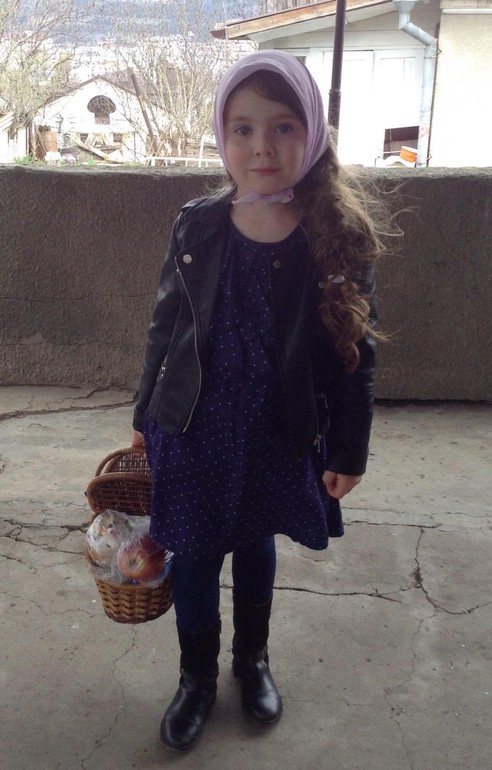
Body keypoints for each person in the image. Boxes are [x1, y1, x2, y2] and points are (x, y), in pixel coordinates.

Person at [131, 49, 387, 751]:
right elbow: (165, 325)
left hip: (277, 429)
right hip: (193, 423)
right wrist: (144, 415)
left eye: (282, 127)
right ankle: (195, 679)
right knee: (194, 553)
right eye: (242, 129)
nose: (261, 147)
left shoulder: (336, 236)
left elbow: (356, 354)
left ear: (313, 132)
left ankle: (252, 662)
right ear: (222, 135)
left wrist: (349, 450)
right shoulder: (197, 223)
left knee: (254, 544)